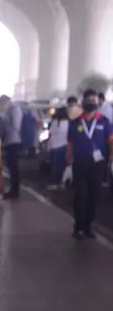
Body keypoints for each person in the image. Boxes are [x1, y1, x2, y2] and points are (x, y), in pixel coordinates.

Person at [64, 87, 113, 238]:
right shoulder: (76, 122)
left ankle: (88, 226)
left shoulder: (104, 122)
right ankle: (78, 226)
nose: (92, 103)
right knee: (80, 195)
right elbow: (71, 143)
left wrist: (111, 157)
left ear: (98, 102)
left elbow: (111, 141)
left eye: (94, 101)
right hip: (80, 163)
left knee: (93, 195)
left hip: (98, 165)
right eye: (89, 100)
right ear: (83, 102)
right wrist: (68, 160)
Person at [0, 94, 23, 200]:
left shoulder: (15, 110)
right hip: (9, 141)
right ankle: (13, 189)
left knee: (13, 167)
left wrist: (6, 127)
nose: (2, 108)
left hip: (13, 141)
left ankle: (15, 191)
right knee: (11, 166)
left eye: (2, 105)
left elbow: (16, 126)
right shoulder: (10, 111)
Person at [47, 106, 69, 188]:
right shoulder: (69, 122)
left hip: (55, 146)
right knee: (63, 165)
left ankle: (55, 182)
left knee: (55, 166)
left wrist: (48, 145)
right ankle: (62, 182)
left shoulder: (56, 122)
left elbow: (50, 134)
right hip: (65, 146)